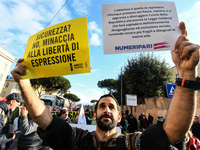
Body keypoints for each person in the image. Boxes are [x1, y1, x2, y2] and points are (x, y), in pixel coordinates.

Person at [11, 22, 200, 149]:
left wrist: (187, 74)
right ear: (94, 114)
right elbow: (43, 118)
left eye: (112, 107)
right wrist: (25, 83)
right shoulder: (77, 139)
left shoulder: (132, 143)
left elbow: (173, 132)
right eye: (102, 106)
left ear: (119, 117)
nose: (107, 110)